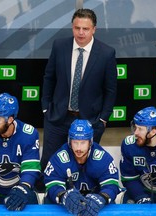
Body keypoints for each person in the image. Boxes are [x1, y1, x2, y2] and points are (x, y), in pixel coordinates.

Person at [40, 8, 118, 175]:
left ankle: (82, 199)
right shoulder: (60, 46)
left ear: (94, 29)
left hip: (90, 121)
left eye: (86, 29)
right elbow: (49, 78)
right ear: (72, 27)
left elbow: (110, 90)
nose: (81, 33)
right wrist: (46, 108)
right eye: (77, 28)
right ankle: (44, 195)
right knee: (49, 163)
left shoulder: (106, 53)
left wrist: (103, 119)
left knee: (85, 167)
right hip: (57, 118)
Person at [44, 119, 120, 215]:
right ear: (69, 141)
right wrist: (64, 196)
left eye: (83, 142)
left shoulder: (103, 158)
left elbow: (112, 184)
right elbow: (52, 184)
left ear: (90, 142)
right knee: (50, 201)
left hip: (94, 203)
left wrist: (101, 198)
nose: (79, 148)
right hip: (67, 205)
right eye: (75, 142)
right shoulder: (59, 158)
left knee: (110, 203)